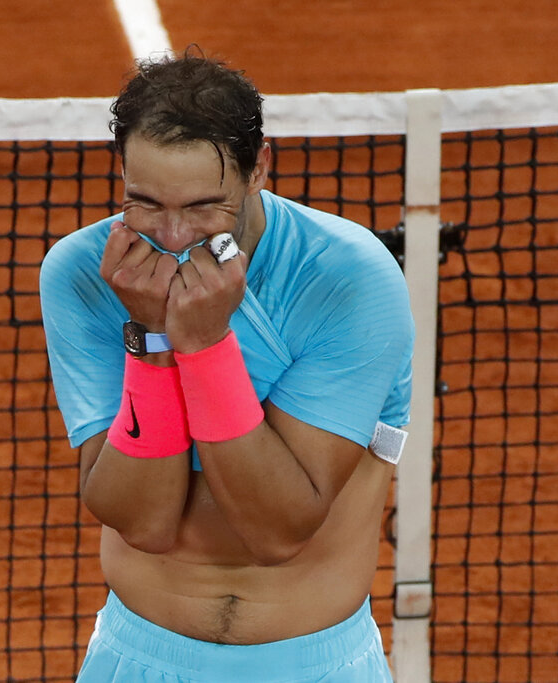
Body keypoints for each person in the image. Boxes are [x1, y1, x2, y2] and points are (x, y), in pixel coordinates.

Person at [39, 48, 414, 682]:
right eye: (147, 203)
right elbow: (143, 520)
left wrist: (206, 345)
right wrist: (153, 336)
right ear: (121, 172)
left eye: (203, 206)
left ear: (258, 167)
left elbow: (275, 530)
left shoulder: (347, 279)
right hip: (137, 659)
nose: (174, 235)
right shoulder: (84, 273)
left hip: (313, 665)